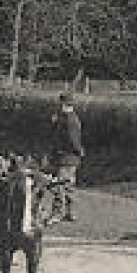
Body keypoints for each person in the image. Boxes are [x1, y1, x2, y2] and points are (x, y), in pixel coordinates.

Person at [49, 92, 84, 221]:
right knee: (68, 186)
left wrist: (79, 150)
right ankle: (69, 212)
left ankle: (58, 212)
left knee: (60, 185)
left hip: (67, 157)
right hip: (69, 157)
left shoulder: (69, 120)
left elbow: (72, 140)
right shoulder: (69, 118)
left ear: (64, 104)